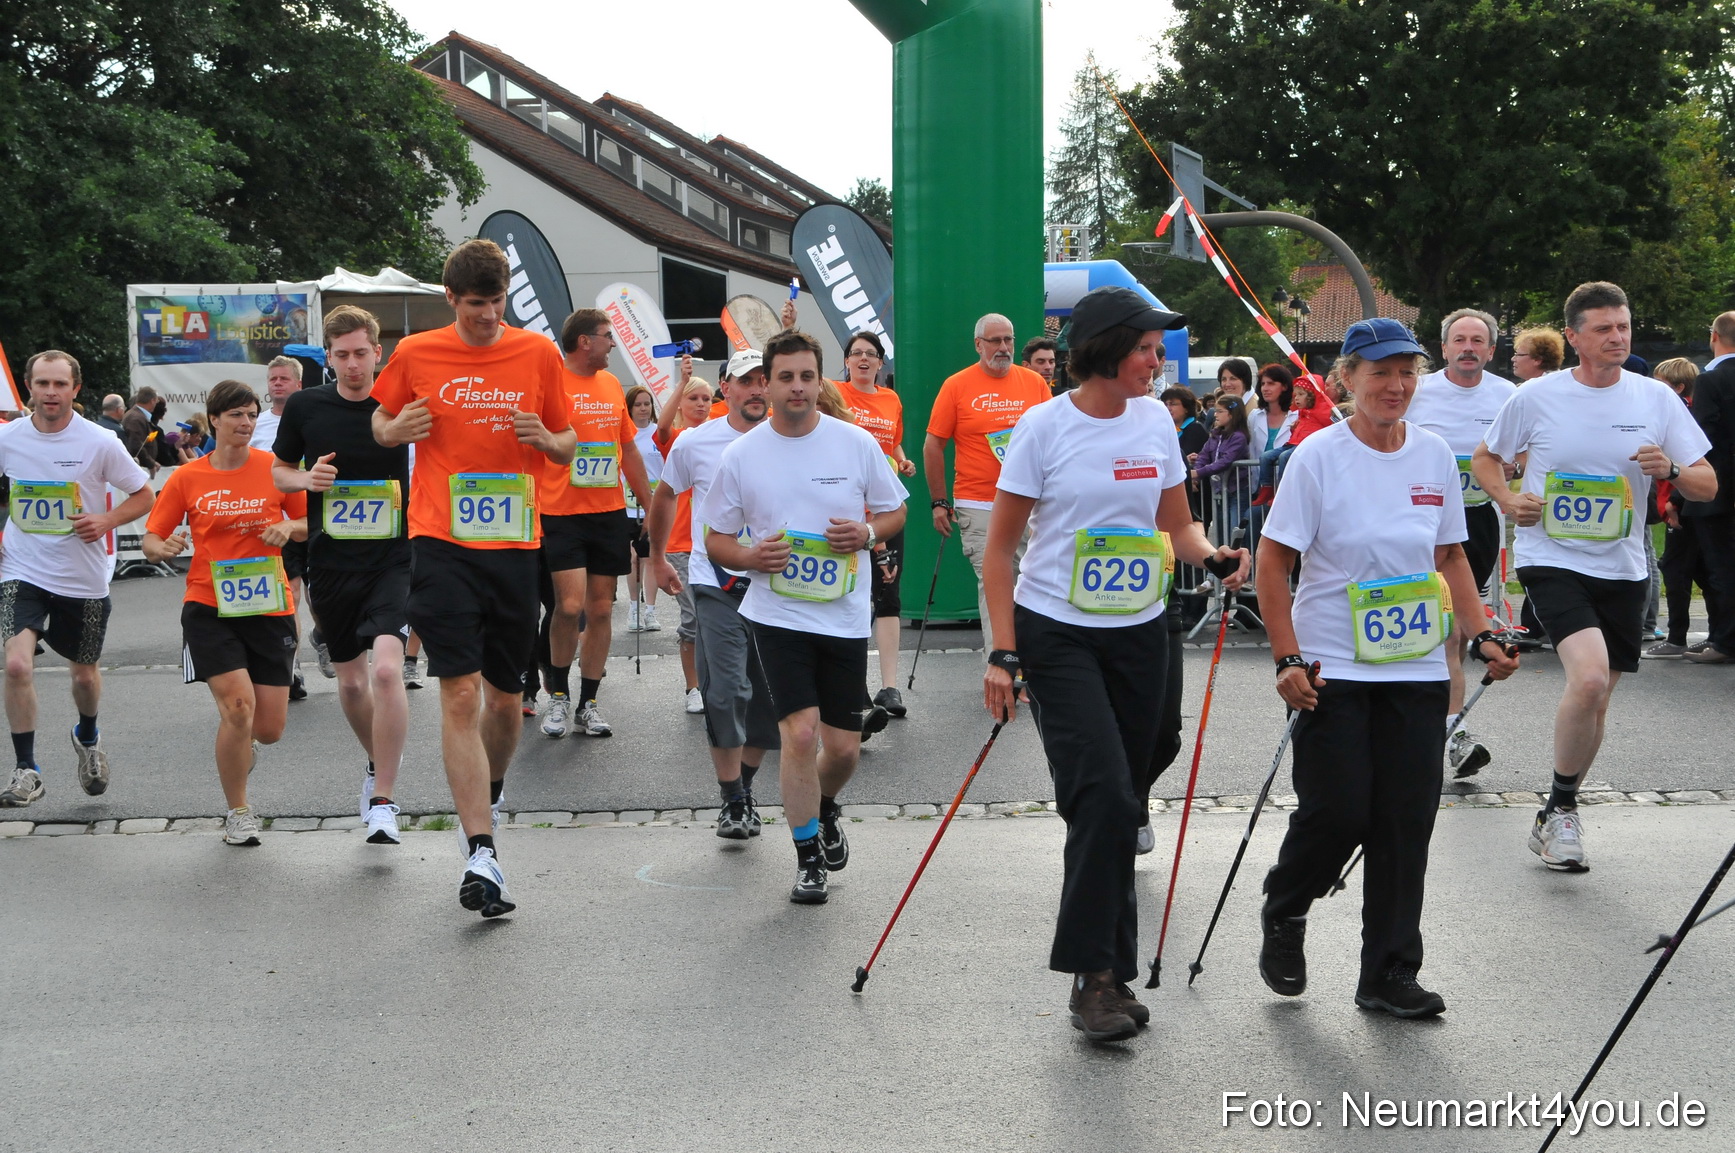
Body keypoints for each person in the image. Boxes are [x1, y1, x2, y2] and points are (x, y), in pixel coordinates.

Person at [980, 286, 1247, 1043]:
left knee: (1135, 774)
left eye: (1157, 350)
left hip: (1140, 625)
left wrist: (1211, 554)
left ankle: (1106, 957)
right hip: (1056, 630)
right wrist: (1002, 650)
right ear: (1102, 350)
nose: (1156, 362)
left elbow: (1177, 522)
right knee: (1100, 793)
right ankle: (1096, 978)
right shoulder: (1042, 426)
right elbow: (1000, 551)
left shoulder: (1156, 422)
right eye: (1143, 349)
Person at [1256, 318, 1518, 1020]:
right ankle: (1285, 906)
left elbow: (1451, 558)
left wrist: (1484, 632)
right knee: (1336, 810)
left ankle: (1388, 973)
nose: (1395, 385)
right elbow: (1272, 564)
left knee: (1404, 821)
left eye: (1406, 371)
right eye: (1379, 372)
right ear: (1347, 379)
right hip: (1330, 665)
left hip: (1412, 666)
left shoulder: (1434, 455)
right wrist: (1285, 656)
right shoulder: (1317, 456)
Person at [1474, 281, 1714, 872]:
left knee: (1600, 697)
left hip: (1624, 566)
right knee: (1587, 682)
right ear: (1574, 337)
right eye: (1604, 328)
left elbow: (1707, 482)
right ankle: (1560, 812)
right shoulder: (1537, 396)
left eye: (1624, 326)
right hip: (1551, 556)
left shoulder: (1654, 398)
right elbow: (1485, 459)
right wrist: (1508, 499)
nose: (1617, 337)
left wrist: (1674, 469)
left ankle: (1560, 805)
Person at [370, 238, 575, 917]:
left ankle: (488, 788)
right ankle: (481, 850)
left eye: (498, 303)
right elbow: (379, 421)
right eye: (477, 305)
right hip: (440, 539)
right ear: (451, 299)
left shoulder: (538, 353)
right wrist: (396, 426)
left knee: (503, 698)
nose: (489, 316)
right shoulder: (417, 352)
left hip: (515, 542)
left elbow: (568, 437)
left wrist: (546, 442)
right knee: (456, 694)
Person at [699, 329, 907, 905]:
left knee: (841, 749)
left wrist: (866, 533)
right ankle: (806, 855)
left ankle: (825, 805)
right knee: (800, 734)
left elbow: (894, 512)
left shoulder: (855, 443)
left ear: (821, 381)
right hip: (776, 613)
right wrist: (749, 556)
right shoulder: (741, 455)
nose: (797, 387)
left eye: (806, 377)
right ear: (766, 383)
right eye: (785, 377)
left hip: (842, 615)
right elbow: (715, 539)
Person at [140, 380, 308, 846]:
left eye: (252, 414)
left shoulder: (275, 469)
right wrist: (162, 547)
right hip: (209, 604)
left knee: (269, 729)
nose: (246, 423)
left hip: (269, 605)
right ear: (213, 419)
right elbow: (153, 537)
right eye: (236, 415)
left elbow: (311, 520)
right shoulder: (188, 477)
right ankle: (238, 812)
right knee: (238, 707)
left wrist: (288, 525)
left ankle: (243, 742)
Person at [270, 305, 414, 845]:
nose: (352, 365)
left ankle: (385, 801)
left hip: (394, 559)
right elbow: (279, 470)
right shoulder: (307, 406)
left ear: (379, 352)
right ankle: (377, 763)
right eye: (341, 355)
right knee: (352, 682)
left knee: (384, 672)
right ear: (327, 358)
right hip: (330, 562)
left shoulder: (399, 404)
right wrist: (307, 478)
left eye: (361, 353)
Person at [0, 351, 154, 809]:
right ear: (28, 386)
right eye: (42, 383)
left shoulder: (99, 441)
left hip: (81, 575)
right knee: (16, 665)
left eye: (59, 385)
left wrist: (106, 519)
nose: (50, 393)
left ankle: (87, 736)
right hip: (21, 567)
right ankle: (27, 768)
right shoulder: (9, 438)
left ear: (75, 389)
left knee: (84, 676)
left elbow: (143, 494)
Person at [650, 349, 780, 840]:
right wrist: (659, 557)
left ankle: (741, 791)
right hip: (716, 583)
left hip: (777, 585)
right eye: (745, 381)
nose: (756, 390)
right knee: (726, 692)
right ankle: (732, 799)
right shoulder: (696, 442)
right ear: (726, 388)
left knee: (766, 700)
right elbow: (665, 495)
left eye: (762, 380)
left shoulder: (788, 437)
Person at [1404, 308, 1518, 778]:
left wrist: (1510, 470)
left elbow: (1528, 450)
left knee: (1454, 629)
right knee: (1436, 628)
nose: (1468, 347)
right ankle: (1443, 731)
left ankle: (1444, 730)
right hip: (1418, 519)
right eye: (1459, 340)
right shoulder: (1420, 391)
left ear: (1491, 350)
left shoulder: (1509, 395)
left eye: (1478, 341)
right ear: (1444, 347)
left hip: (1476, 523)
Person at [530, 309, 652, 739]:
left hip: (607, 513)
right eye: (606, 336)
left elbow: (630, 451)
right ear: (585, 341)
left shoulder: (610, 384)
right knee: (568, 606)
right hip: (560, 512)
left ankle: (589, 702)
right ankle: (558, 697)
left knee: (601, 609)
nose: (612, 344)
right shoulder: (550, 383)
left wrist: (649, 504)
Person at [923, 313, 1050, 652]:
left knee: (1033, 581)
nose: (1004, 347)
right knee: (994, 582)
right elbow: (933, 445)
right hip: (978, 503)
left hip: (1028, 501)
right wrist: (938, 502)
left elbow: (1053, 440)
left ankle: (1033, 663)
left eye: (1009, 340)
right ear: (978, 344)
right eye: (995, 340)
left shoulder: (1034, 383)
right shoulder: (957, 385)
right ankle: (1004, 665)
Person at [838, 329, 917, 718]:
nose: (864, 359)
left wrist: (901, 461)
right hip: (850, 511)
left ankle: (889, 688)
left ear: (881, 363)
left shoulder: (891, 399)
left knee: (888, 595)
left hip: (886, 510)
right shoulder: (834, 396)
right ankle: (854, 689)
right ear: (847, 361)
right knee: (850, 594)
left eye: (871, 354)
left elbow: (892, 443)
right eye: (857, 354)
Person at [654, 375, 722, 714]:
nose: (700, 405)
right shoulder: (682, 440)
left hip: (716, 545)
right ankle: (693, 687)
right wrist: (681, 383)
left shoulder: (722, 439)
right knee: (693, 617)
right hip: (680, 544)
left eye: (706, 399)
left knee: (720, 616)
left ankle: (718, 681)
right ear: (681, 402)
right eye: (693, 398)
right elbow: (662, 428)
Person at [1673, 312, 1735, 664]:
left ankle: (1724, 640)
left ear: (1714, 336)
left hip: (1720, 493)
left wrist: (1682, 492)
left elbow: (1703, 441)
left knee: (1721, 567)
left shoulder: (1711, 379)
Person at [254, 355, 314, 696]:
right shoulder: (257, 425)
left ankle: (322, 638)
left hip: (316, 516)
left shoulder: (313, 417)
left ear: (298, 384)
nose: (277, 383)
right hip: (281, 522)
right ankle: (290, 669)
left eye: (284, 379)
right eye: (273, 379)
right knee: (288, 595)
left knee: (319, 598)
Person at [1646, 359, 1711, 658]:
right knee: (1702, 570)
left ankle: (1676, 637)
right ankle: (1719, 633)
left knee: (1676, 568)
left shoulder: (1680, 413)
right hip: (1687, 503)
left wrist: (1675, 502)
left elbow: (1689, 462)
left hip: (1681, 502)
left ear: (1678, 388)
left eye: (1660, 383)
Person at [623, 384, 662, 633]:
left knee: (649, 558)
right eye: (638, 404)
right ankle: (633, 608)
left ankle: (650, 611)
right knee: (632, 559)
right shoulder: (623, 433)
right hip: (625, 506)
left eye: (647, 403)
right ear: (629, 408)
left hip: (653, 505)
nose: (643, 408)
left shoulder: (659, 433)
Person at [1191, 394, 1251, 537]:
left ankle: (1236, 558)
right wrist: (1195, 475)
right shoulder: (1215, 435)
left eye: (1219, 411)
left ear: (1232, 414)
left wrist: (1198, 473)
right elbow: (1204, 455)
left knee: (1234, 531)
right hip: (1219, 491)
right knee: (1220, 532)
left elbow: (1225, 462)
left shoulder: (1239, 437)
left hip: (1236, 491)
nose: (1215, 414)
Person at [1161, 386, 1208, 522]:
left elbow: (1193, 456)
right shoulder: (1167, 429)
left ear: (1186, 408)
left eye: (1173, 404)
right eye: (1165, 404)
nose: (1168, 408)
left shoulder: (1195, 428)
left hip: (1197, 494)